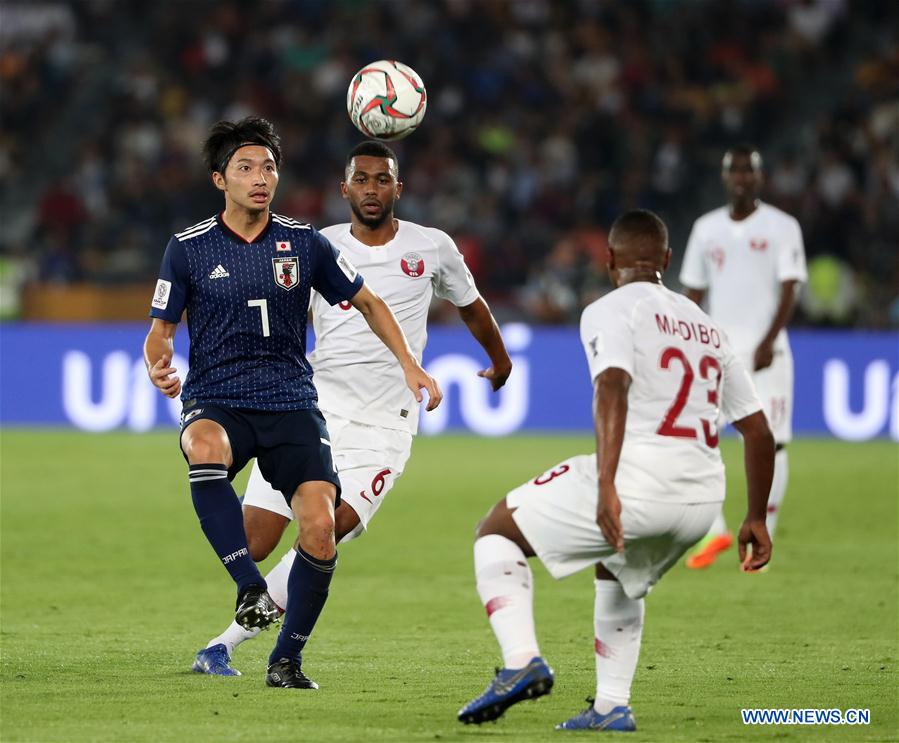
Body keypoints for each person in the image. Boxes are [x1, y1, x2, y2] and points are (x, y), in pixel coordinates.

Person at [192, 140, 513, 676]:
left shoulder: (432, 247)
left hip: (383, 426)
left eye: (381, 179)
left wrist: (499, 361)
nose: (371, 189)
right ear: (344, 189)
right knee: (254, 540)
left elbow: (472, 306)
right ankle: (238, 632)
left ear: (398, 188)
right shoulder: (316, 244)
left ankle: (232, 646)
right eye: (360, 180)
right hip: (310, 408)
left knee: (323, 531)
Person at [144, 118, 442, 689]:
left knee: (320, 530)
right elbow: (160, 330)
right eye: (246, 168)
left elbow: (370, 302)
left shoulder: (305, 243)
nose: (261, 178)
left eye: (269, 167)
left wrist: (408, 362)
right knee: (203, 446)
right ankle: (250, 588)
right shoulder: (187, 248)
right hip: (218, 396)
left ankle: (286, 660)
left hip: (289, 400)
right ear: (219, 179)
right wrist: (159, 361)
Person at [457, 209, 775, 731]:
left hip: (640, 482)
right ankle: (611, 706)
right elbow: (758, 430)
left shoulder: (609, 309)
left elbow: (611, 387)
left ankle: (520, 662)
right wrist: (757, 517)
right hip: (701, 503)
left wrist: (606, 485)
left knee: (496, 532)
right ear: (667, 262)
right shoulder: (706, 326)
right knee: (619, 569)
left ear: (608, 260)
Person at [679, 144, 807, 569]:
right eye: (734, 171)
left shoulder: (782, 227)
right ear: (724, 177)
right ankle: (713, 530)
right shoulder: (705, 228)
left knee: (775, 442)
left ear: (760, 176)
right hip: (717, 353)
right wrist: (688, 340)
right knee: (696, 437)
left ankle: (762, 531)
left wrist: (770, 339)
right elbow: (693, 293)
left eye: (748, 171)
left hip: (769, 354)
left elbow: (791, 287)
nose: (741, 178)